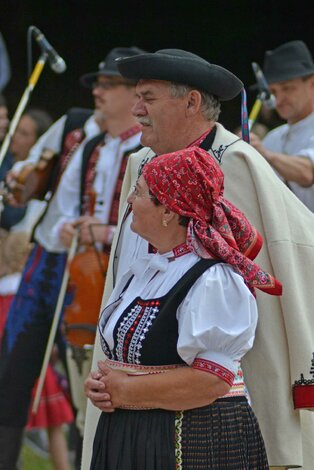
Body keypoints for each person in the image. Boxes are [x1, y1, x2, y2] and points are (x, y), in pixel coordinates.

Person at [82, 49, 314, 470]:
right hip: (130, 399)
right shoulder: (141, 163)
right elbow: (129, 271)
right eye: (136, 97)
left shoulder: (235, 163)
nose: (136, 110)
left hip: (213, 411)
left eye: (148, 98)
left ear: (191, 102)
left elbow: (295, 255)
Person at [86, 147, 282, 469]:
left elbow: (211, 381)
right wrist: (104, 385)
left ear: (169, 211)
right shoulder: (146, 269)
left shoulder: (212, 279)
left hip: (190, 437)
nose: (130, 202)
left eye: (139, 193)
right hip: (131, 431)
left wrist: (125, 389)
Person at [0, 46, 144, 470]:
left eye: (108, 84)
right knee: (11, 375)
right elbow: (29, 171)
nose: (97, 90)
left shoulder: (149, 147)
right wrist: (20, 183)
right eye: (98, 83)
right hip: (46, 262)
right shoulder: (75, 127)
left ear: (134, 93)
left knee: (89, 381)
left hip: (99, 274)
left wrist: (103, 231)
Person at [249, 40, 314, 212]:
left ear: (312, 84)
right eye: (273, 92)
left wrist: (265, 154)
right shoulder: (273, 138)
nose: (279, 99)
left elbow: (307, 173)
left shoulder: (267, 147)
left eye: (287, 89)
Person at [0, 107, 53, 230]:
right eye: (16, 129)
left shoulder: (38, 180)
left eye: (23, 133)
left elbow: (12, 216)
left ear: (37, 143)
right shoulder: (3, 158)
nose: (14, 136)